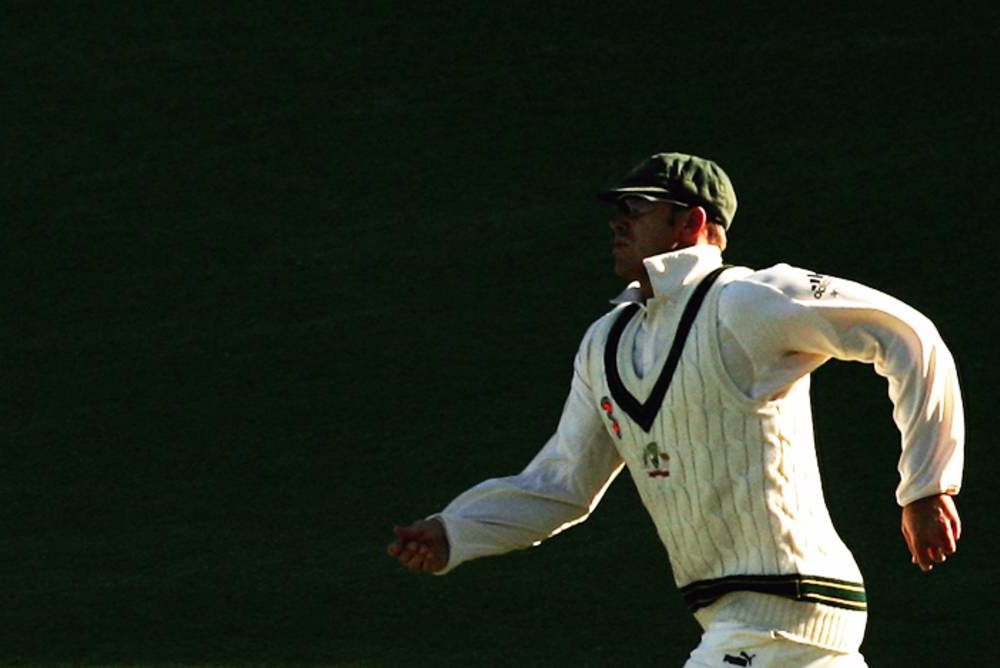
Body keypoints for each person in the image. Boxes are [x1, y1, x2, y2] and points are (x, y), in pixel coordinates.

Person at [386, 153, 964, 666]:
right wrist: (456, 531)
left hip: (783, 613)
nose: (618, 221)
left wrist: (926, 486)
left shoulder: (747, 300)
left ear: (691, 223)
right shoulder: (604, 343)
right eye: (617, 209)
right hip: (753, 621)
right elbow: (559, 483)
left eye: (637, 208)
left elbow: (908, 334)